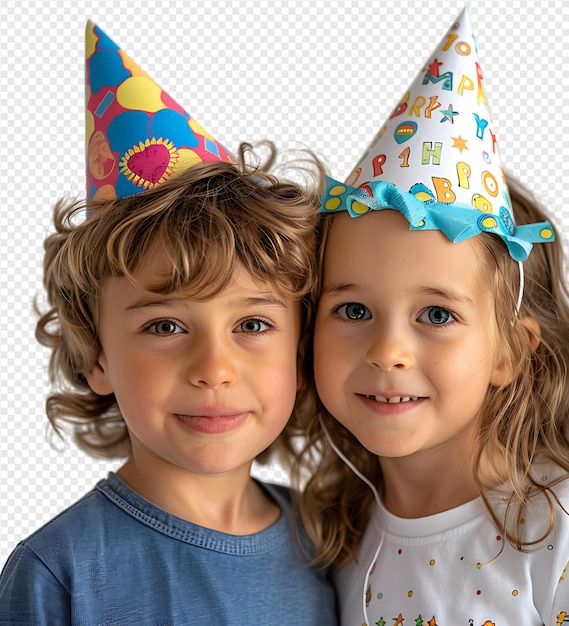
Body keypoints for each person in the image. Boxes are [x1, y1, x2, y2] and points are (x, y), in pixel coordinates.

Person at [295, 8, 569, 625]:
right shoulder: (335, 532)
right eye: (354, 308)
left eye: (437, 314)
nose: (387, 351)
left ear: (510, 351)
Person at [0, 22, 337, 624]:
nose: (214, 368)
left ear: (301, 348)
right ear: (95, 356)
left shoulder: (333, 542)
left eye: (253, 325)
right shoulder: (61, 573)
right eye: (164, 326)